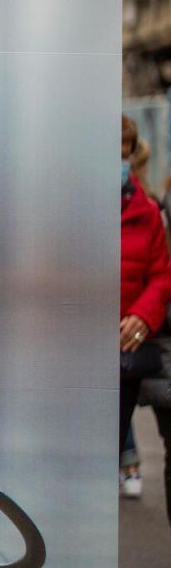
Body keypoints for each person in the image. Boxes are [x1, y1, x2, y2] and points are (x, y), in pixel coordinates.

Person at [120, 115, 171, 461]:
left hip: (124, 350)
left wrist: (143, 315)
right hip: (73, 351)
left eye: (123, 157)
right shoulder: (67, 204)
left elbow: (162, 274)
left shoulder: (147, 211)